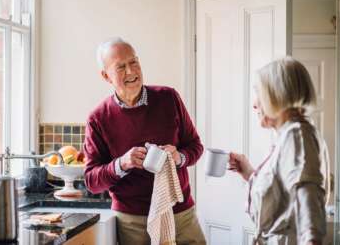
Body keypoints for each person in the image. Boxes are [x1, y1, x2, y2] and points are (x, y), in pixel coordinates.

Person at [83, 37, 206, 245]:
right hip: (132, 221)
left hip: (180, 214)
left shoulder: (169, 98)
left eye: (134, 62)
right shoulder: (98, 118)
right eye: (121, 67)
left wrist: (179, 157)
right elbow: (91, 182)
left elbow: (195, 146)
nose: (131, 71)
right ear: (106, 76)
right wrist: (122, 164)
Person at [229, 57, 328, 245]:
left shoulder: (297, 135)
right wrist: (249, 173)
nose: (255, 104)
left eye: (259, 93)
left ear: (277, 95)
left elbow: (309, 211)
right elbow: (281, 201)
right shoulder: (287, 136)